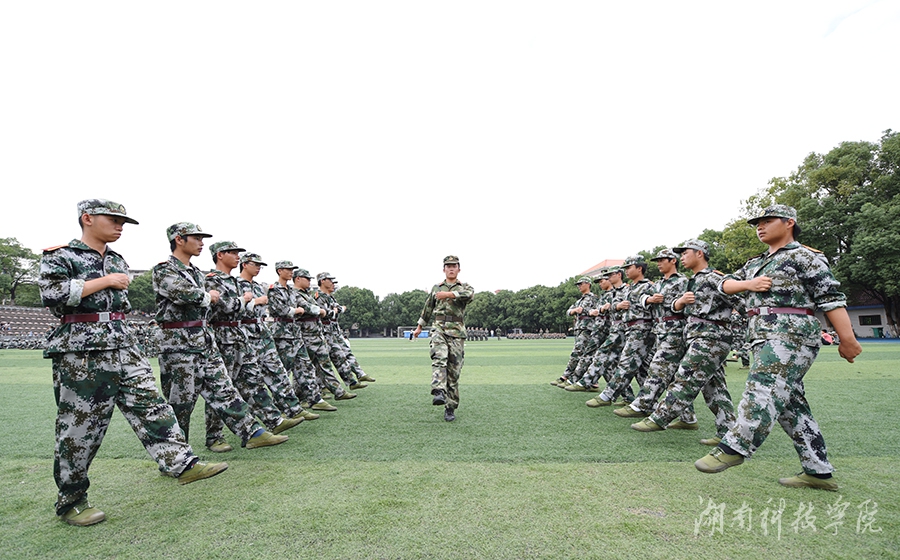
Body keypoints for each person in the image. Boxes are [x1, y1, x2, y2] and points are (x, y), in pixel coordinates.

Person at [40, 199, 227, 526]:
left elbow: (120, 304)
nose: (120, 226)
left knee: (153, 406)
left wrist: (111, 283)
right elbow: (53, 295)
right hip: (83, 350)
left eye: (123, 221)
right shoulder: (61, 256)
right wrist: (105, 281)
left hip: (124, 343)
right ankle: (71, 501)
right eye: (113, 219)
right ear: (87, 218)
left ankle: (181, 463)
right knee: (81, 427)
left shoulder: (116, 259)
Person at [694, 205, 862, 490]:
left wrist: (847, 339)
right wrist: (750, 283)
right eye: (757, 223)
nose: (760, 227)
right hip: (762, 335)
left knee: (763, 387)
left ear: (789, 223)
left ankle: (734, 447)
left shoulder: (805, 257)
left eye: (767, 221)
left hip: (791, 333)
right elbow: (723, 286)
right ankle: (818, 471)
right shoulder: (755, 263)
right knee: (791, 406)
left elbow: (830, 298)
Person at [153, 223, 287, 451]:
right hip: (178, 344)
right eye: (196, 238)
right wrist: (209, 296)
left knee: (224, 390)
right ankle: (177, 454)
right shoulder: (164, 269)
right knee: (181, 403)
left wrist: (211, 297)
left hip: (204, 340)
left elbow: (213, 301)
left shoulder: (196, 273)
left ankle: (252, 432)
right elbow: (186, 294)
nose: (201, 243)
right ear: (179, 240)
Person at [631, 239, 738, 445]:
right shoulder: (693, 281)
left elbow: (740, 303)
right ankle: (728, 432)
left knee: (685, 377)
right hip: (696, 335)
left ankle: (659, 417)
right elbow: (677, 307)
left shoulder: (714, 277)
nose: (682, 257)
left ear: (699, 253)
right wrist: (679, 302)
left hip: (711, 337)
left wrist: (738, 331)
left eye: (685, 253)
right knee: (714, 387)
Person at [203, 241, 303, 453]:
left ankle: (273, 420)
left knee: (253, 379)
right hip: (223, 336)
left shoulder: (235, 282)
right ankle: (214, 436)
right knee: (221, 387)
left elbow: (241, 308)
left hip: (241, 335)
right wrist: (248, 301)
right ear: (220, 255)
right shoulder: (212, 279)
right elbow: (223, 306)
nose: (237, 256)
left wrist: (247, 302)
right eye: (232, 252)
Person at [614, 249, 697, 428]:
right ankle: (688, 418)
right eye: (657, 261)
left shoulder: (683, 281)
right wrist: (649, 299)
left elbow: (691, 302)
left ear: (673, 261)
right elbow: (641, 298)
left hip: (675, 329)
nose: (658, 263)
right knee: (672, 375)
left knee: (658, 367)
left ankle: (641, 404)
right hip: (660, 330)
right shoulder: (657, 284)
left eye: (662, 260)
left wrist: (674, 302)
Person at [237, 253, 319, 421]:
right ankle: (248, 419)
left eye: (260, 265)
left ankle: (294, 408)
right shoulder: (236, 285)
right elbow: (230, 308)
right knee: (247, 379)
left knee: (279, 372)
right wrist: (255, 302)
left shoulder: (258, 287)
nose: (259, 268)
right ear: (244, 264)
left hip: (263, 333)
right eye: (255, 264)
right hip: (244, 335)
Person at [412, 255, 475, 422]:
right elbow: (427, 308)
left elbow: (469, 295)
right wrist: (419, 327)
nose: (451, 268)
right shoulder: (436, 288)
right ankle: (438, 390)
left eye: (454, 266)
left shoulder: (464, 287)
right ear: (444, 269)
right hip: (439, 328)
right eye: (448, 266)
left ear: (459, 269)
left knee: (454, 372)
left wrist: (449, 294)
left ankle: (450, 407)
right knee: (439, 357)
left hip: (457, 331)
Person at [591, 255, 656, 406]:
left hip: (642, 329)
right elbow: (618, 307)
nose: (626, 271)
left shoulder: (649, 286)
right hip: (630, 329)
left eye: (629, 267)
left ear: (639, 268)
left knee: (627, 363)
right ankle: (648, 403)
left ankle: (607, 395)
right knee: (642, 369)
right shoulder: (630, 288)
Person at [292, 268, 358, 401]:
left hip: (316, 333)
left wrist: (323, 311)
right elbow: (311, 308)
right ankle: (301, 396)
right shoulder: (294, 294)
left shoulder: (307, 294)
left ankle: (338, 391)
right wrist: (322, 311)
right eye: (307, 279)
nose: (309, 281)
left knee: (324, 363)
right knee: (304, 367)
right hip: (305, 334)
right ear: (298, 279)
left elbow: (320, 310)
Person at [316, 272, 375, 387]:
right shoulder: (319, 297)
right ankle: (321, 386)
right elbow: (327, 314)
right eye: (330, 281)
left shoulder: (330, 297)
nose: (333, 284)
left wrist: (337, 310)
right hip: (325, 332)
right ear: (322, 281)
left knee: (344, 354)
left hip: (334, 331)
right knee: (323, 361)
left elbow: (340, 309)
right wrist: (335, 311)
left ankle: (357, 376)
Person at [552, 276, 599, 386]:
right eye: (578, 285)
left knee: (577, 353)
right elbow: (568, 312)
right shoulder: (579, 301)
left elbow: (598, 311)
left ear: (588, 284)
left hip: (588, 328)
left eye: (581, 284)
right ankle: (593, 382)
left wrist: (587, 311)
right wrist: (574, 310)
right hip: (579, 328)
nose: (579, 286)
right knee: (586, 354)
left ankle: (566, 376)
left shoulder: (594, 298)